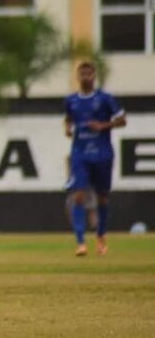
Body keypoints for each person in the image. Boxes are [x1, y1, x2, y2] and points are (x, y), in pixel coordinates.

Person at [64, 60, 127, 257]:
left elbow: (122, 120)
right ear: (77, 77)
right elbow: (68, 118)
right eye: (82, 74)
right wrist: (67, 127)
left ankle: (101, 236)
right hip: (80, 153)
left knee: (102, 197)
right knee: (79, 195)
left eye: (89, 74)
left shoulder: (105, 98)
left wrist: (103, 126)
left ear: (94, 76)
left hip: (102, 153)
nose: (85, 77)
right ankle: (81, 242)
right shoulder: (71, 100)